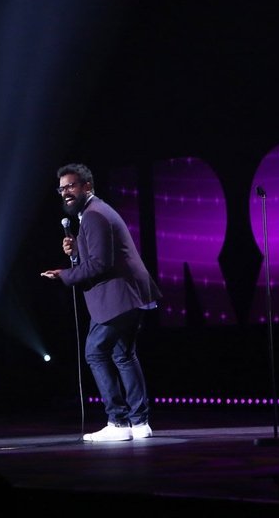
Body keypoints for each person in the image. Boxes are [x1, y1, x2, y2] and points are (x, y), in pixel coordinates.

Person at [42, 163, 162, 441]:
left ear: (87, 186)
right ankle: (139, 423)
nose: (65, 193)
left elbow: (100, 264)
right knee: (123, 355)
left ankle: (118, 423)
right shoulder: (94, 214)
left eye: (71, 186)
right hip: (130, 295)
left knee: (95, 353)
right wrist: (74, 255)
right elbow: (96, 259)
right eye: (61, 189)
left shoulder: (94, 215)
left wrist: (65, 275)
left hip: (118, 297)